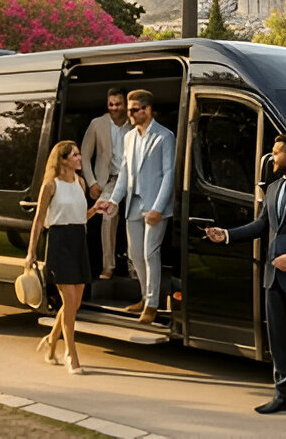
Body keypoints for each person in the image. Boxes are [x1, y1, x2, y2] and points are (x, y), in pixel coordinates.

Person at [205, 133, 286, 425]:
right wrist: (226, 235)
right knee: (278, 340)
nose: (272, 157)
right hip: (273, 277)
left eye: (276, 152)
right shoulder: (274, 188)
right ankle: (284, 395)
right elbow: (262, 225)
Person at [97, 89, 175, 324]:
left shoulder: (165, 136)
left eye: (133, 110)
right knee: (135, 255)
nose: (128, 113)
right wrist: (114, 200)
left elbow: (169, 175)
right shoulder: (129, 137)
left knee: (151, 253)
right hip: (133, 204)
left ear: (147, 110)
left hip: (155, 206)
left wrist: (158, 208)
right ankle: (144, 296)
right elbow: (124, 173)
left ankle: (152, 304)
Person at [26, 140, 98, 375]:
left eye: (79, 154)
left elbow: (79, 216)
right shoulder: (50, 185)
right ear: (63, 160)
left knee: (73, 305)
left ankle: (51, 340)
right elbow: (39, 220)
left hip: (78, 242)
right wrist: (31, 252)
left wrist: (95, 210)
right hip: (59, 243)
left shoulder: (81, 182)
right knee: (68, 301)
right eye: (75, 155)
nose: (79, 158)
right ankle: (71, 354)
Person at [79, 87, 132, 279]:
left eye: (118, 104)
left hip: (132, 178)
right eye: (111, 104)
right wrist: (92, 182)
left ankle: (134, 269)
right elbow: (85, 156)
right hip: (108, 180)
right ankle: (108, 266)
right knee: (107, 218)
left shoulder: (134, 124)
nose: (114, 108)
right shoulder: (97, 124)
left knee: (135, 220)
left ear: (126, 105)